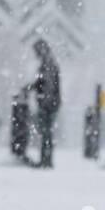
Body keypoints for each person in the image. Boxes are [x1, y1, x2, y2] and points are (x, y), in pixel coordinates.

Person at [29, 39, 61, 168]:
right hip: (51, 102)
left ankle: (46, 160)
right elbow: (42, 83)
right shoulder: (48, 62)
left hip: (48, 103)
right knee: (46, 132)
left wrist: (44, 102)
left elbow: (46, 84)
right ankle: (46, 159)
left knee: (45, 131)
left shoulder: (47, 63)